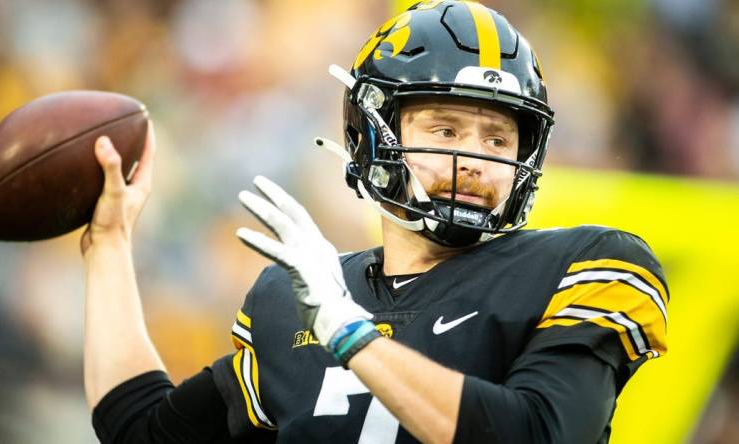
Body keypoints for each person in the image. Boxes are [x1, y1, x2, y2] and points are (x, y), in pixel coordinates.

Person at [82, 1, 668, 443]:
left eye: (498, 138)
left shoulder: (581, 266)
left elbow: (539, 434)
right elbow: (144, 433)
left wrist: (349, 332)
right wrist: (108, 243)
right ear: (372, 135)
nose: (477, 160)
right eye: (445, 130)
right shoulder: (290, 304)